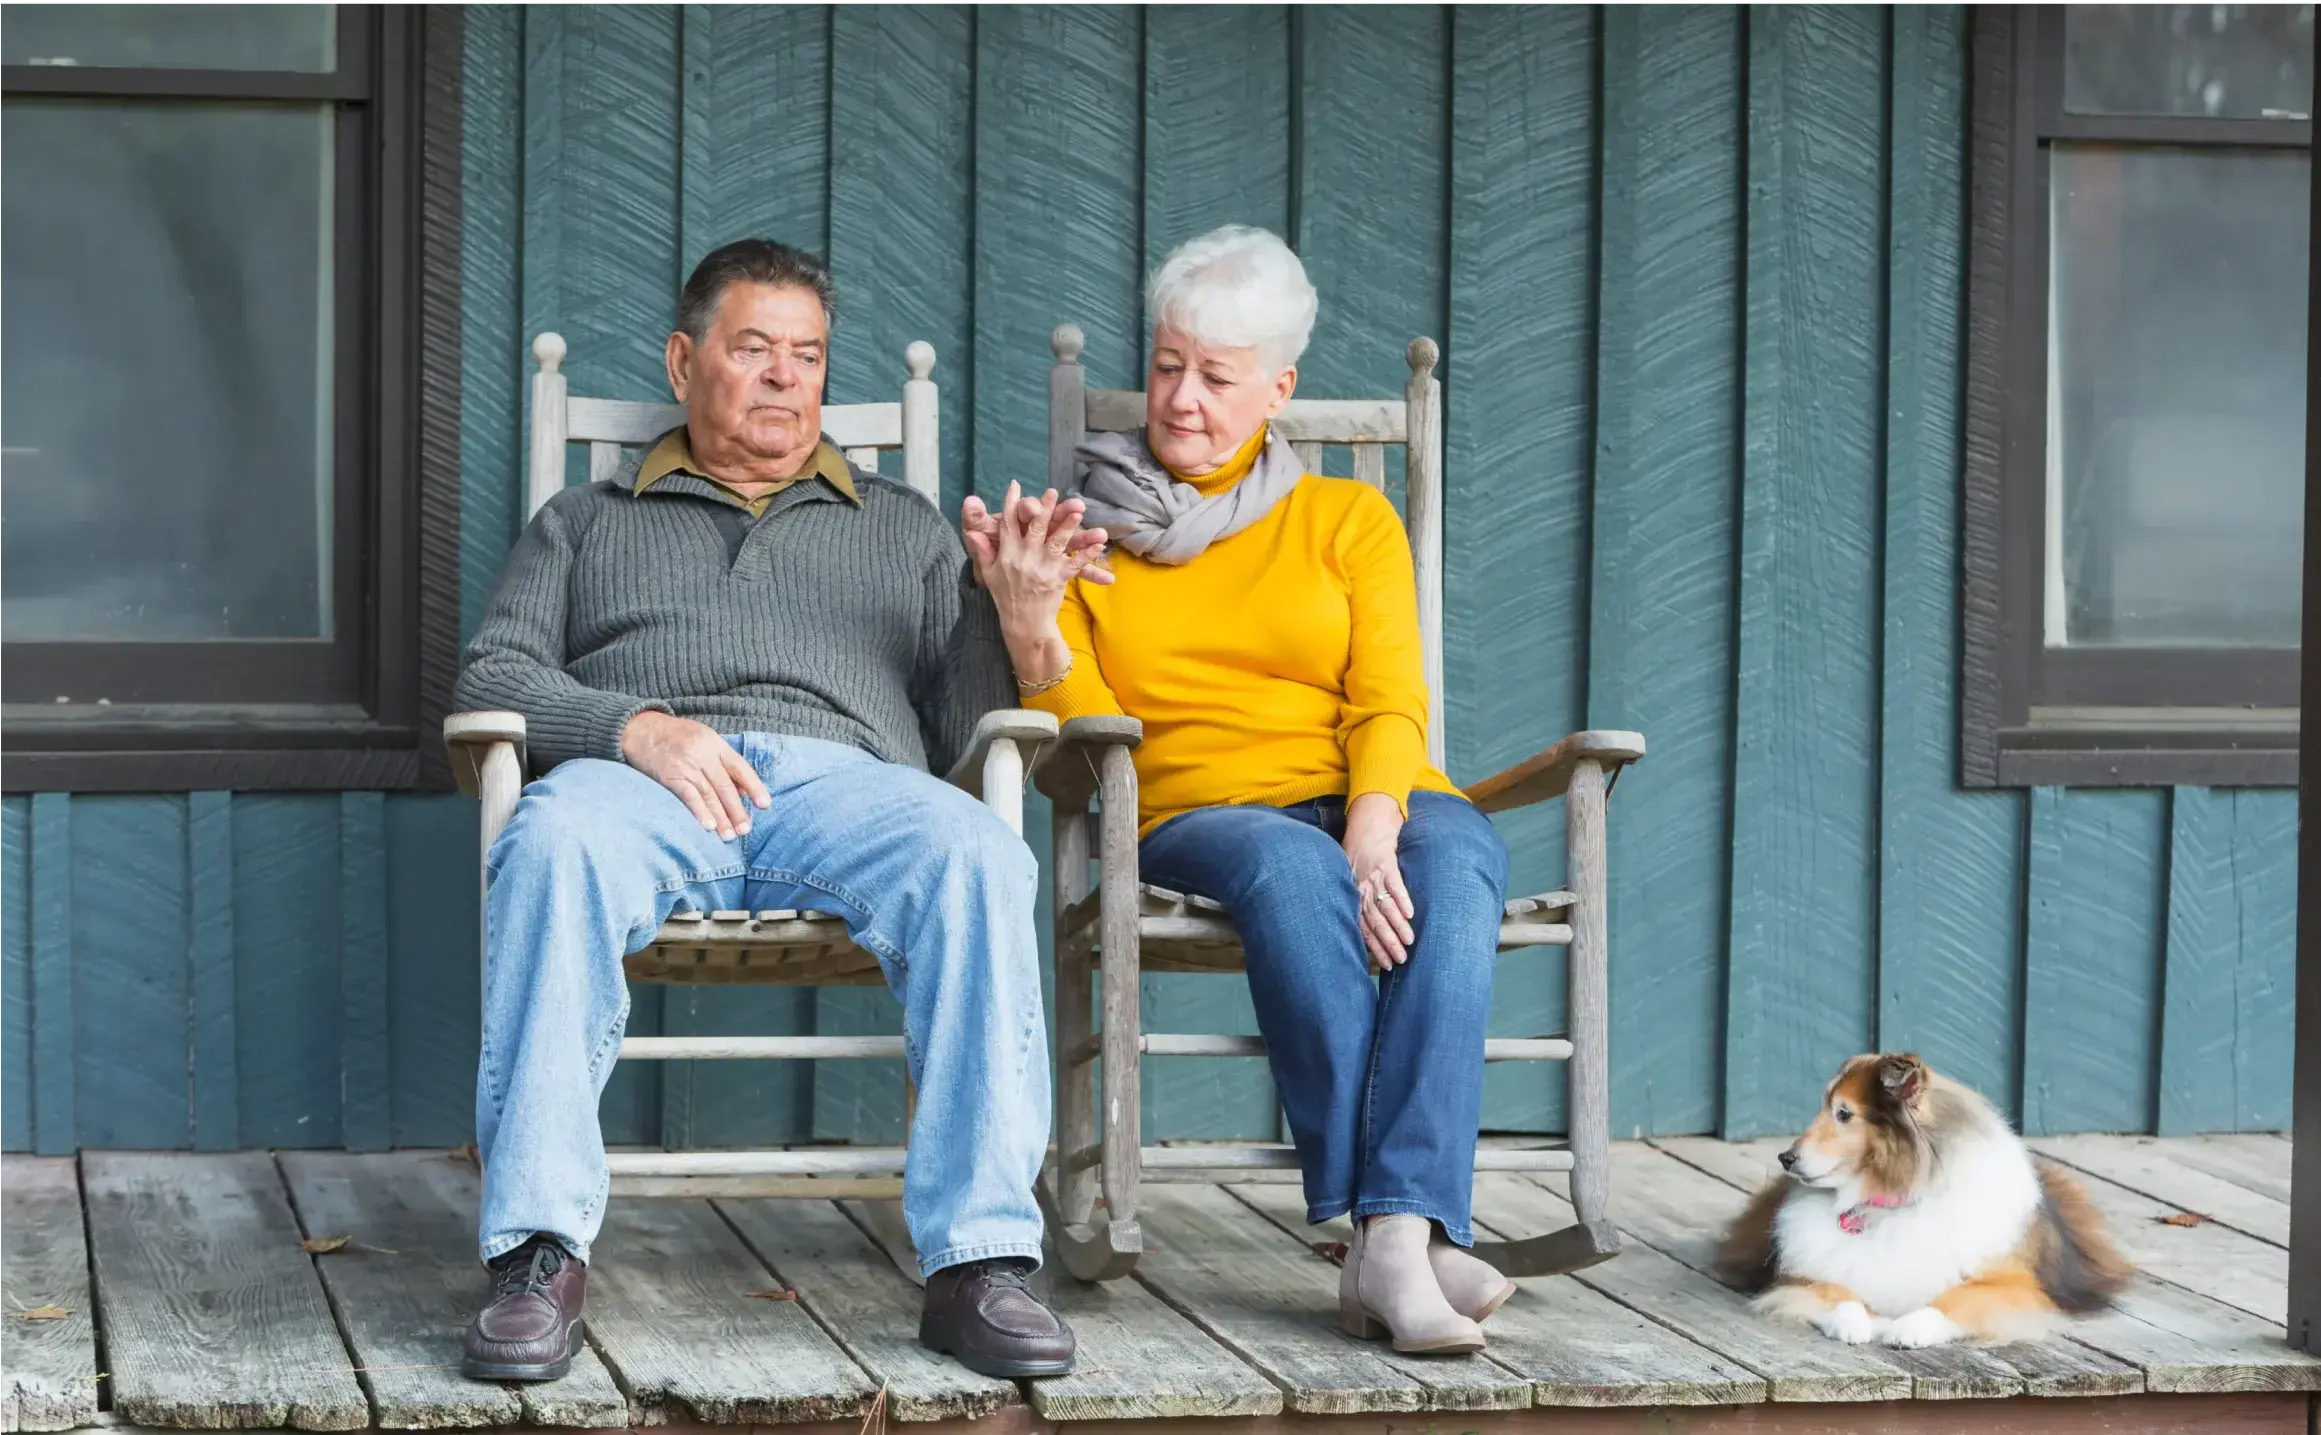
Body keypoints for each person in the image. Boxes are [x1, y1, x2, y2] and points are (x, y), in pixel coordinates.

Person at [453, 239, 1090, 1383]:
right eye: (753, 351)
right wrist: (631, 727)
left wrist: (1024, 622)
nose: (785, 378)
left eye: (806, 356)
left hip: (845, 784)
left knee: (979, 853)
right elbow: (490, 677)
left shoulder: (901, 524)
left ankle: (980, 1265)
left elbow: (961, 729)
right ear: (685, 359)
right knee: (544, 838)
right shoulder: (584, 518)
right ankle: (537, 1256)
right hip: (642, 782)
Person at [965, 225, 1514, 1356]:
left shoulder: (1345, 520)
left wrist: (1375, 826)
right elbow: (1086, 742)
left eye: (1215, 377)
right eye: (1167, 365)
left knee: (1456, 865)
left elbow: (1390, 700)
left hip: (1371, 786)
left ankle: (1393, 1233)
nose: (1180, 399)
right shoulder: (1082, 533)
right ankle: (1404, 1236)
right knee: (1287, 867)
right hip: (1197, 810)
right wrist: (1032, 628)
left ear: (1278, 386)